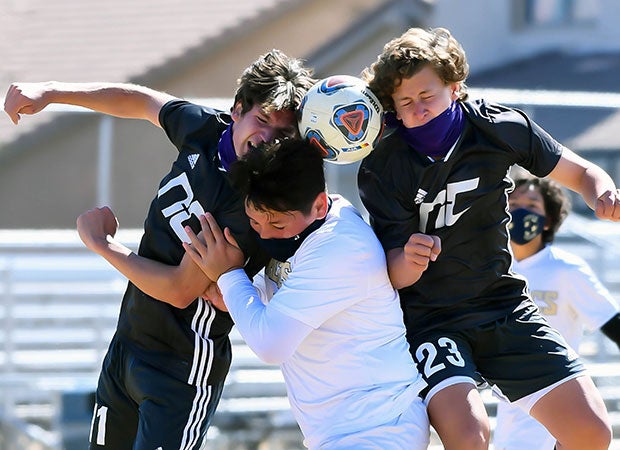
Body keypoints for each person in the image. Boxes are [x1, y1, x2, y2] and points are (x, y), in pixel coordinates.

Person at [3, 50, 315, 449]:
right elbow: (141, 101)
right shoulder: (204, 129)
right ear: (237, 109)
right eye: (263, 120)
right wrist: (52, 92)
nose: (268, 138)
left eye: (284, 133)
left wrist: (104, 245)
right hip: (127, 346)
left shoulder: (252, 203)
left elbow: (179, 289)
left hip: (181, 368)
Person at [357, 26, 619, 450]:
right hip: (430, 319)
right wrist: (408, 258)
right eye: (406, 103)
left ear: (455, 87)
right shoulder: (383, 164)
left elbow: (582, 173)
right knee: (470, 438)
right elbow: (392, 275)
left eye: (428, 95)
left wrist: (601, 192)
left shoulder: (500, 127)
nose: (419, 109)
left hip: (502, 302)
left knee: (591, 433)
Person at [182, 138, 430, 450]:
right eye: (255, 222)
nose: (265, 234)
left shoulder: (341, 245)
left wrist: (229, 277)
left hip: (379, 429)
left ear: (320, 206)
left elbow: (271, 344)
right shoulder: (307, 228)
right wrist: (244, 294)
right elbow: (292, 294)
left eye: (278, 225)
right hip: (342, 432)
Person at [492, 174, 620, 450]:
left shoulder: (566, 269)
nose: (521, 211)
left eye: (532, 205)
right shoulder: (491, 269)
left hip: (557, 409)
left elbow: (614, 324)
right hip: (510, 418)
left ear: (548, 219)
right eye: (513, 204)